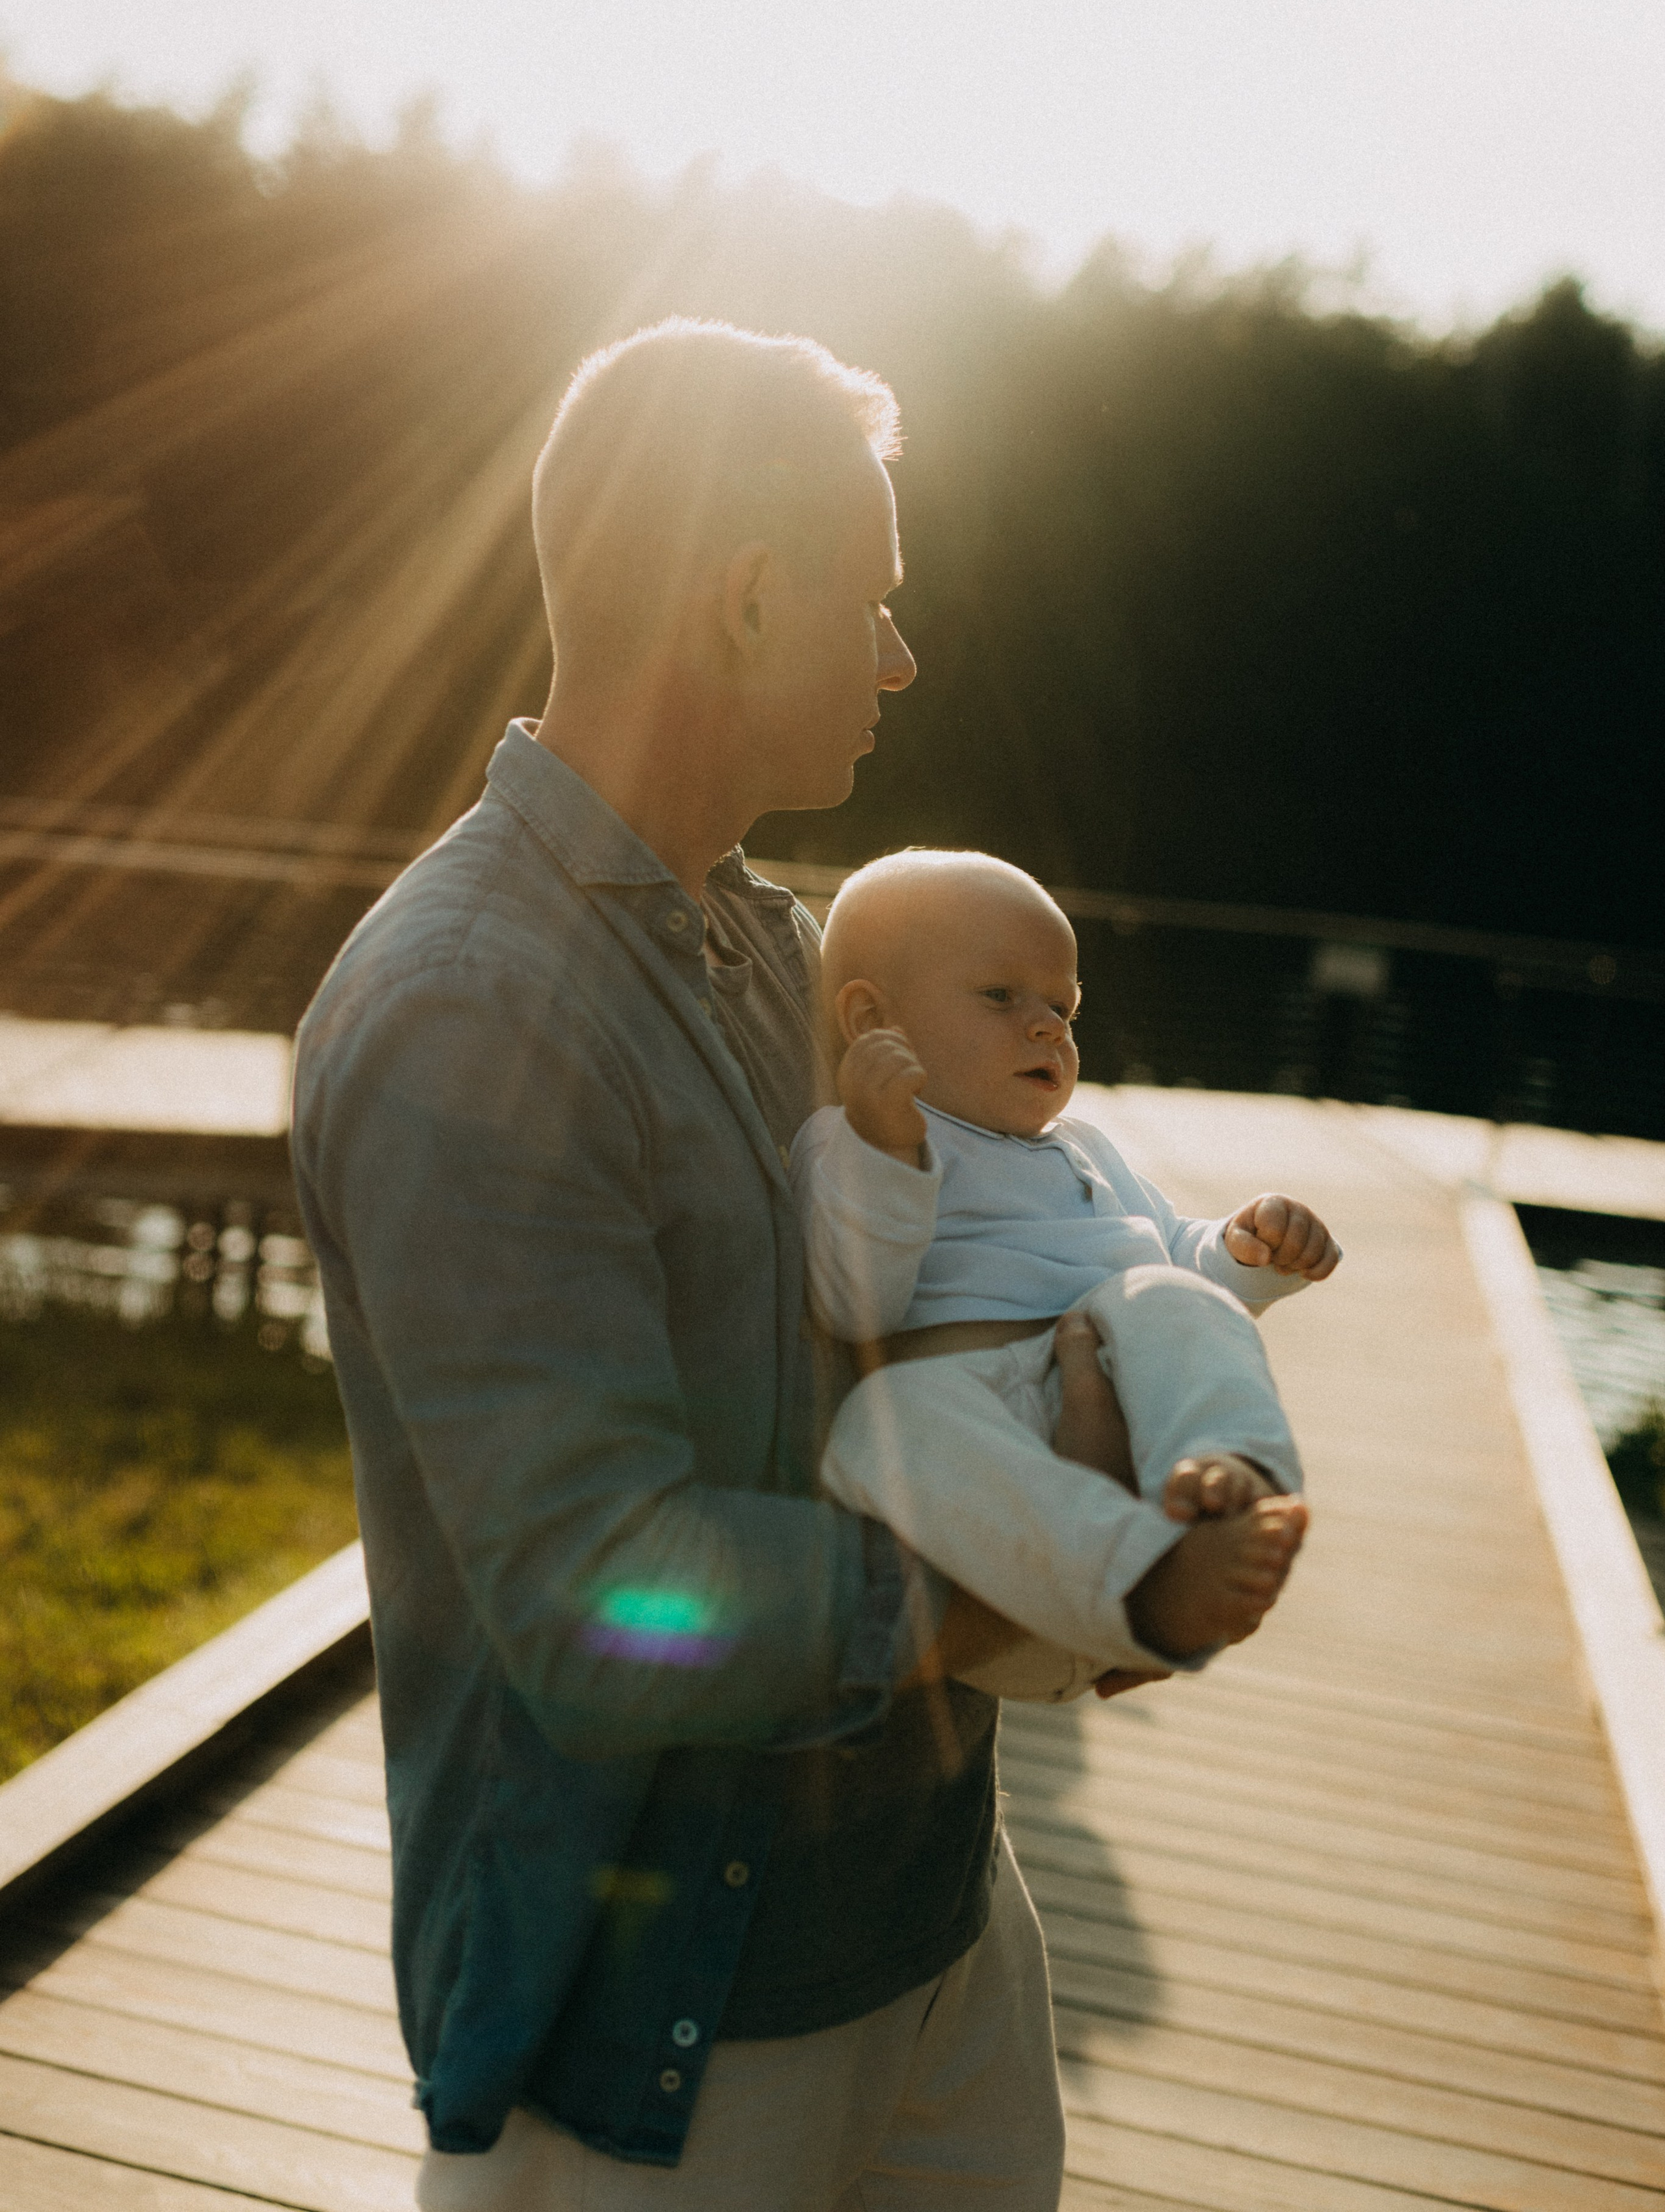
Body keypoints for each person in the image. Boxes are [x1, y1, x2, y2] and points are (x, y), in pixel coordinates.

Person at [290, 321, 1070, 2211]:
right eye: (871, 603)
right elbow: (587, 1591)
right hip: (677, 2037)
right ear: (741, 603)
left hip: (933, 1923)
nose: (901, 655)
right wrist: (1035, 1595)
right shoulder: (474, 1006)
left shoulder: (768, 942)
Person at [793, 849, 1333, 1700]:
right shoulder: (854, 1141)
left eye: (1064, 1008)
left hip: (1113, 1389)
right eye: (1002, 997)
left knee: (1171, 1297)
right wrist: (888, 1151)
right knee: (878, 1422)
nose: (1048, 1027)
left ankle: (1226, 1477)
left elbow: (1173, 1252)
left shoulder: (1085, 1151)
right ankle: (1141, 1583)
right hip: (988, 1452)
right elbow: (855, 1304)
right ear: (871, 1020)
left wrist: (1244, 1252)